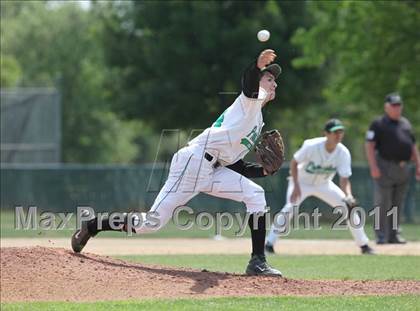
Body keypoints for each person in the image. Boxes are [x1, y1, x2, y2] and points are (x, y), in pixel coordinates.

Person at [72, 49, 283, 276]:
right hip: (192, 163)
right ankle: (93, 225)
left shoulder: (257, 120)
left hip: (213, 169)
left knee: (255, 195)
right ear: (258, 82)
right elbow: (248, 83)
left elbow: (235, 164)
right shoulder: (249, 101)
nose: (274, 84)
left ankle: (257, 262)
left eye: (275, 80)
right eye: (269, 78)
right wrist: (256, 66)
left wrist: (264, 170)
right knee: (151, 224)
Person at [265, 119, 375, 255]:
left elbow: (344, 179)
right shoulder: (312, 145)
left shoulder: (343, 152)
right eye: (335, 132)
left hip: (324, 184)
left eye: (341, 132)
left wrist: (348, 195)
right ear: (326, 133)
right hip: (301, 182)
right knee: (290, 208)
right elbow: (294, 163)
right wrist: (296, 186)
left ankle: (364, 245)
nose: (338, 135)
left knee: (349, 208)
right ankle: (269, 244)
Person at [365, 93, 420, 244]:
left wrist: (418, 164)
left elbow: (412, 146)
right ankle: (381, 235)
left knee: (397, 203)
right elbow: (369, 145)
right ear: (386, 107)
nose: (397, 108)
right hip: (384, 166)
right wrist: (373, 166)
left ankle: (393, 235)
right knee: (382, 202)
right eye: (394, 105)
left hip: (403, 167)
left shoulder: (405, 124)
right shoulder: (378, 123)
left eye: (399, 105)